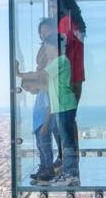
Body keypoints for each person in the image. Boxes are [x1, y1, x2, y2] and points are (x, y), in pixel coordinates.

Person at [19, 33, 79, 186]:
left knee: (67, 142)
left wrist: (19, 74)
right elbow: (46, 85)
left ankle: (71, 174)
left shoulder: (60, 61)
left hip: (65, 105)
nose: (46, 51)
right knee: (65, 142)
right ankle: (68, 173)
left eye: (47, 47)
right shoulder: (58, 62)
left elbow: (40, 75)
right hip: (62, 106)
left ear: (55, 47)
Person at [16, 19, 57, 183]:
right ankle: (43, 167)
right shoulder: (46, 53)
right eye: (42, 32)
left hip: (48, 101)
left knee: (45, 143)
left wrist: (21, 75)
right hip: (43, 101)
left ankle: (47, 169)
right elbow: (41, 77)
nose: (44, 34)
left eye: (47, 31)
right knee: (41, 144)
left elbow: (43, 76)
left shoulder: (55, 59)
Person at [50, 0, 86, 168]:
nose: (52, 11)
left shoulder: (65, 23)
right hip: (77, 78)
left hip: (66, 79)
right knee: (68, 121)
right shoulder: (76, 24)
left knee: (62, 124)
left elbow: (59, 51)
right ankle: (70, 159)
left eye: (54, 6)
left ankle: (67, 162)